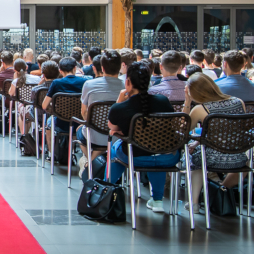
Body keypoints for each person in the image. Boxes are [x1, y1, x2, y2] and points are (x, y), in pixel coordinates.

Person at [107, 62, 177, 213]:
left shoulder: (120, 107)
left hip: (135, 157)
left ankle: (107, 189)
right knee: (155, 150)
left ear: (128, 82)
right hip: (168, 157)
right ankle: (158, 200)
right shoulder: (163, 101)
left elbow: (112, 128)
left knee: (115, 149)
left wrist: (119, 100)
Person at [181, 73, 249, 214]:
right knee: (244, 164)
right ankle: (222, 189)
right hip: (239, 158)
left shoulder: (200, 109)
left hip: (211, 159)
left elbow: (184, 130)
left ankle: (194, 203)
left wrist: (187, 102)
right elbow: (229, 133)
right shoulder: (239, 101)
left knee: (196, 160)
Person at [75, 49, 124, 175]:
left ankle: (90, 164)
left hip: (94, 135)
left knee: (79, 129)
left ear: (102, 67)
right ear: (120, 66)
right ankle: (96, 163)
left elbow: (84, 113)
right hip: (120, 137)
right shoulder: (126, 86)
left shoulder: (89, 84)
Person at [41, 57, 87, 159]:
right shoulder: (84, 83)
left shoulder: (56, 83)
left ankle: (51, 154)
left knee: (48, 124)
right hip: (79, 123)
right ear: (75, 68)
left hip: (60, 122)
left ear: (60, 71)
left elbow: (44, 105)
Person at [18, 60, 58, 137]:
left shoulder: (36, 89)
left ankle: (24, 137)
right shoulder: (60, 87)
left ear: (43, 74)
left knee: (22, 109)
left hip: (39, 115)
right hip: (56, 115)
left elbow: (32, 102)